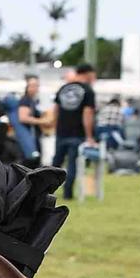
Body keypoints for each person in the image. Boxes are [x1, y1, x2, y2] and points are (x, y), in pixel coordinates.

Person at [50, 63, 97, 199]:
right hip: (77, 133)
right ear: (88, 73)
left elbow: (56, 110)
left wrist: (55, 126)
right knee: (72, 163)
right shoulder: (87, 90)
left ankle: (44, 191)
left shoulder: (63, 88)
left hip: (61, 131)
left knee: (56, 163)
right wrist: (89, 136)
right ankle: (67, 193)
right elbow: (87, 113)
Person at [15, 74, 45, 167]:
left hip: (33, 135)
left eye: (37, 85)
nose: (36, 88)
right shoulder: (25, 100)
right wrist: (42, 121)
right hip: (28, 137)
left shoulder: (33, 101)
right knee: (30, 163)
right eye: (33, 86)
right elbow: (23, 117)